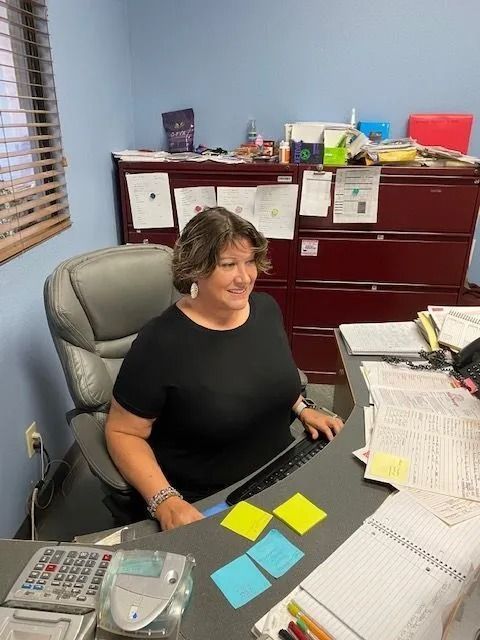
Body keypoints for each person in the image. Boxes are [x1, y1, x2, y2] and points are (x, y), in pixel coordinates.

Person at [106, 207, 343, 530]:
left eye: (249, 262)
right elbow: (122, 432)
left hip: (280, 469)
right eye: (228, 265)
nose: (244, 277)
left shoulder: (265, 309)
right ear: (196, 270)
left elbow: (265, 375)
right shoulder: (161, 341)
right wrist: (165, 501)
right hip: (211, 497)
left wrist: (302, 408)